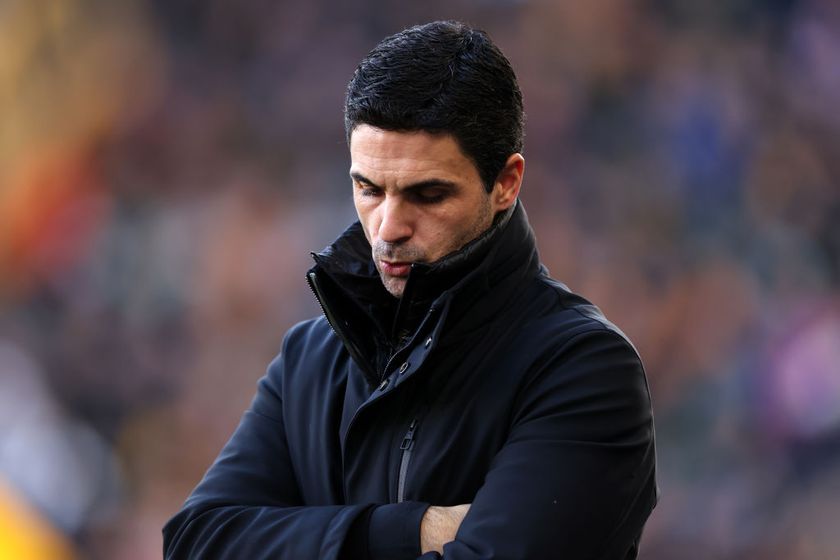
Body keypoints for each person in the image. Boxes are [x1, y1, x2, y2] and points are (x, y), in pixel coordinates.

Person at [163, 20, 657, 560]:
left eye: (428, 194)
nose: (387, 227)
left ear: (506, 184)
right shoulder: (308, 362)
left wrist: (309, 535)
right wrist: (413, 531)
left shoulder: (583, 369)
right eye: (368, 188)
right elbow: (196, 542)